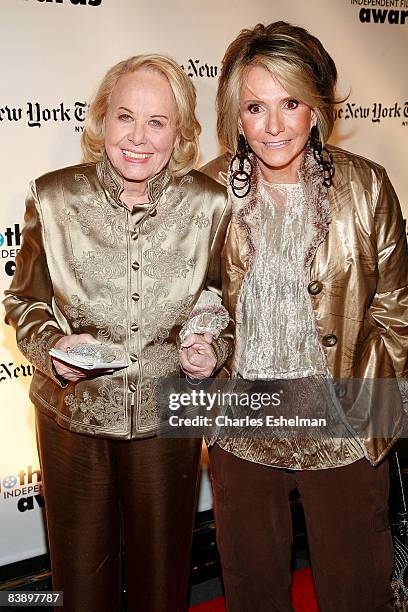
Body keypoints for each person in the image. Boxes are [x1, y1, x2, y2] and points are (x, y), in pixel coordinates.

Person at [3, 54, 231, 612]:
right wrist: (50, 347)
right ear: (101, 119)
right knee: (81, 579)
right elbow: (23, 300)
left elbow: (224, 297)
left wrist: (212, 348)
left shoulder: (210, 204)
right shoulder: (51, 198)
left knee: (163, 576)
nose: (138, 138)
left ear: (179, 132)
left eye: (157, 122)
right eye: (125, 117)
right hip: (72, 414)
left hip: (166, 409)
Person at [198, 21, 408, 612]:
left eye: (290, 103)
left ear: (316, 108)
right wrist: (205, 350)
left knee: (357, 585)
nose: (272, 126)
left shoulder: (366, 186)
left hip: (345, 416)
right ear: (236, 116)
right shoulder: (210, 191)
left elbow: (397, 305)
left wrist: (369, 409)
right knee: (252, 583)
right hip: (242, 422)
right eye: (255, 107)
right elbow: (199, 296)